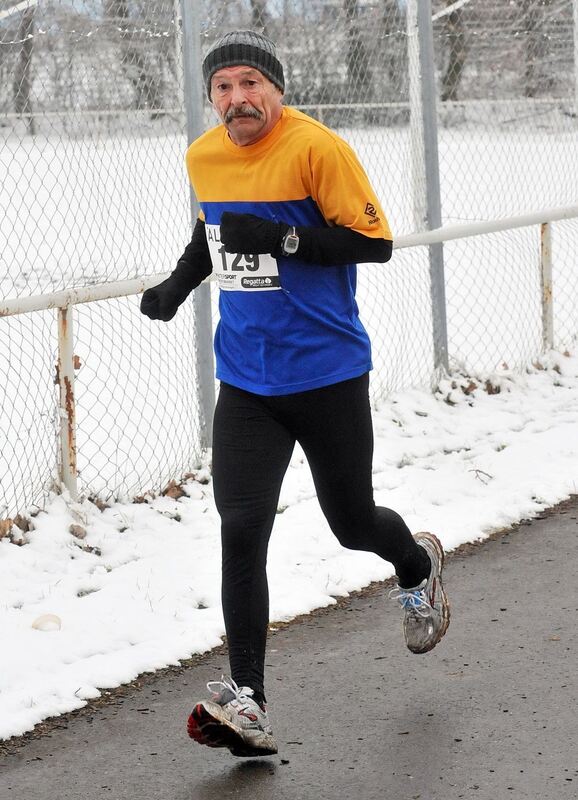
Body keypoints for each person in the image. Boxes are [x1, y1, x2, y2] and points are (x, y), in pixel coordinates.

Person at [140, 29, 450, 758]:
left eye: (251, 83)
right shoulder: (205, 154)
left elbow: (373, 243)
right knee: (240, 527)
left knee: (351, 522)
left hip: (328, 373)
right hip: (246, 377)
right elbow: (214, 232)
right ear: (210, 96)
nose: (238, 98)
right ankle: (249, 701)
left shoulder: (318, 149)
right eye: (223, 86)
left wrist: (280, 237)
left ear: (276, 90)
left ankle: (416, 565)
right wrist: (178, 285)